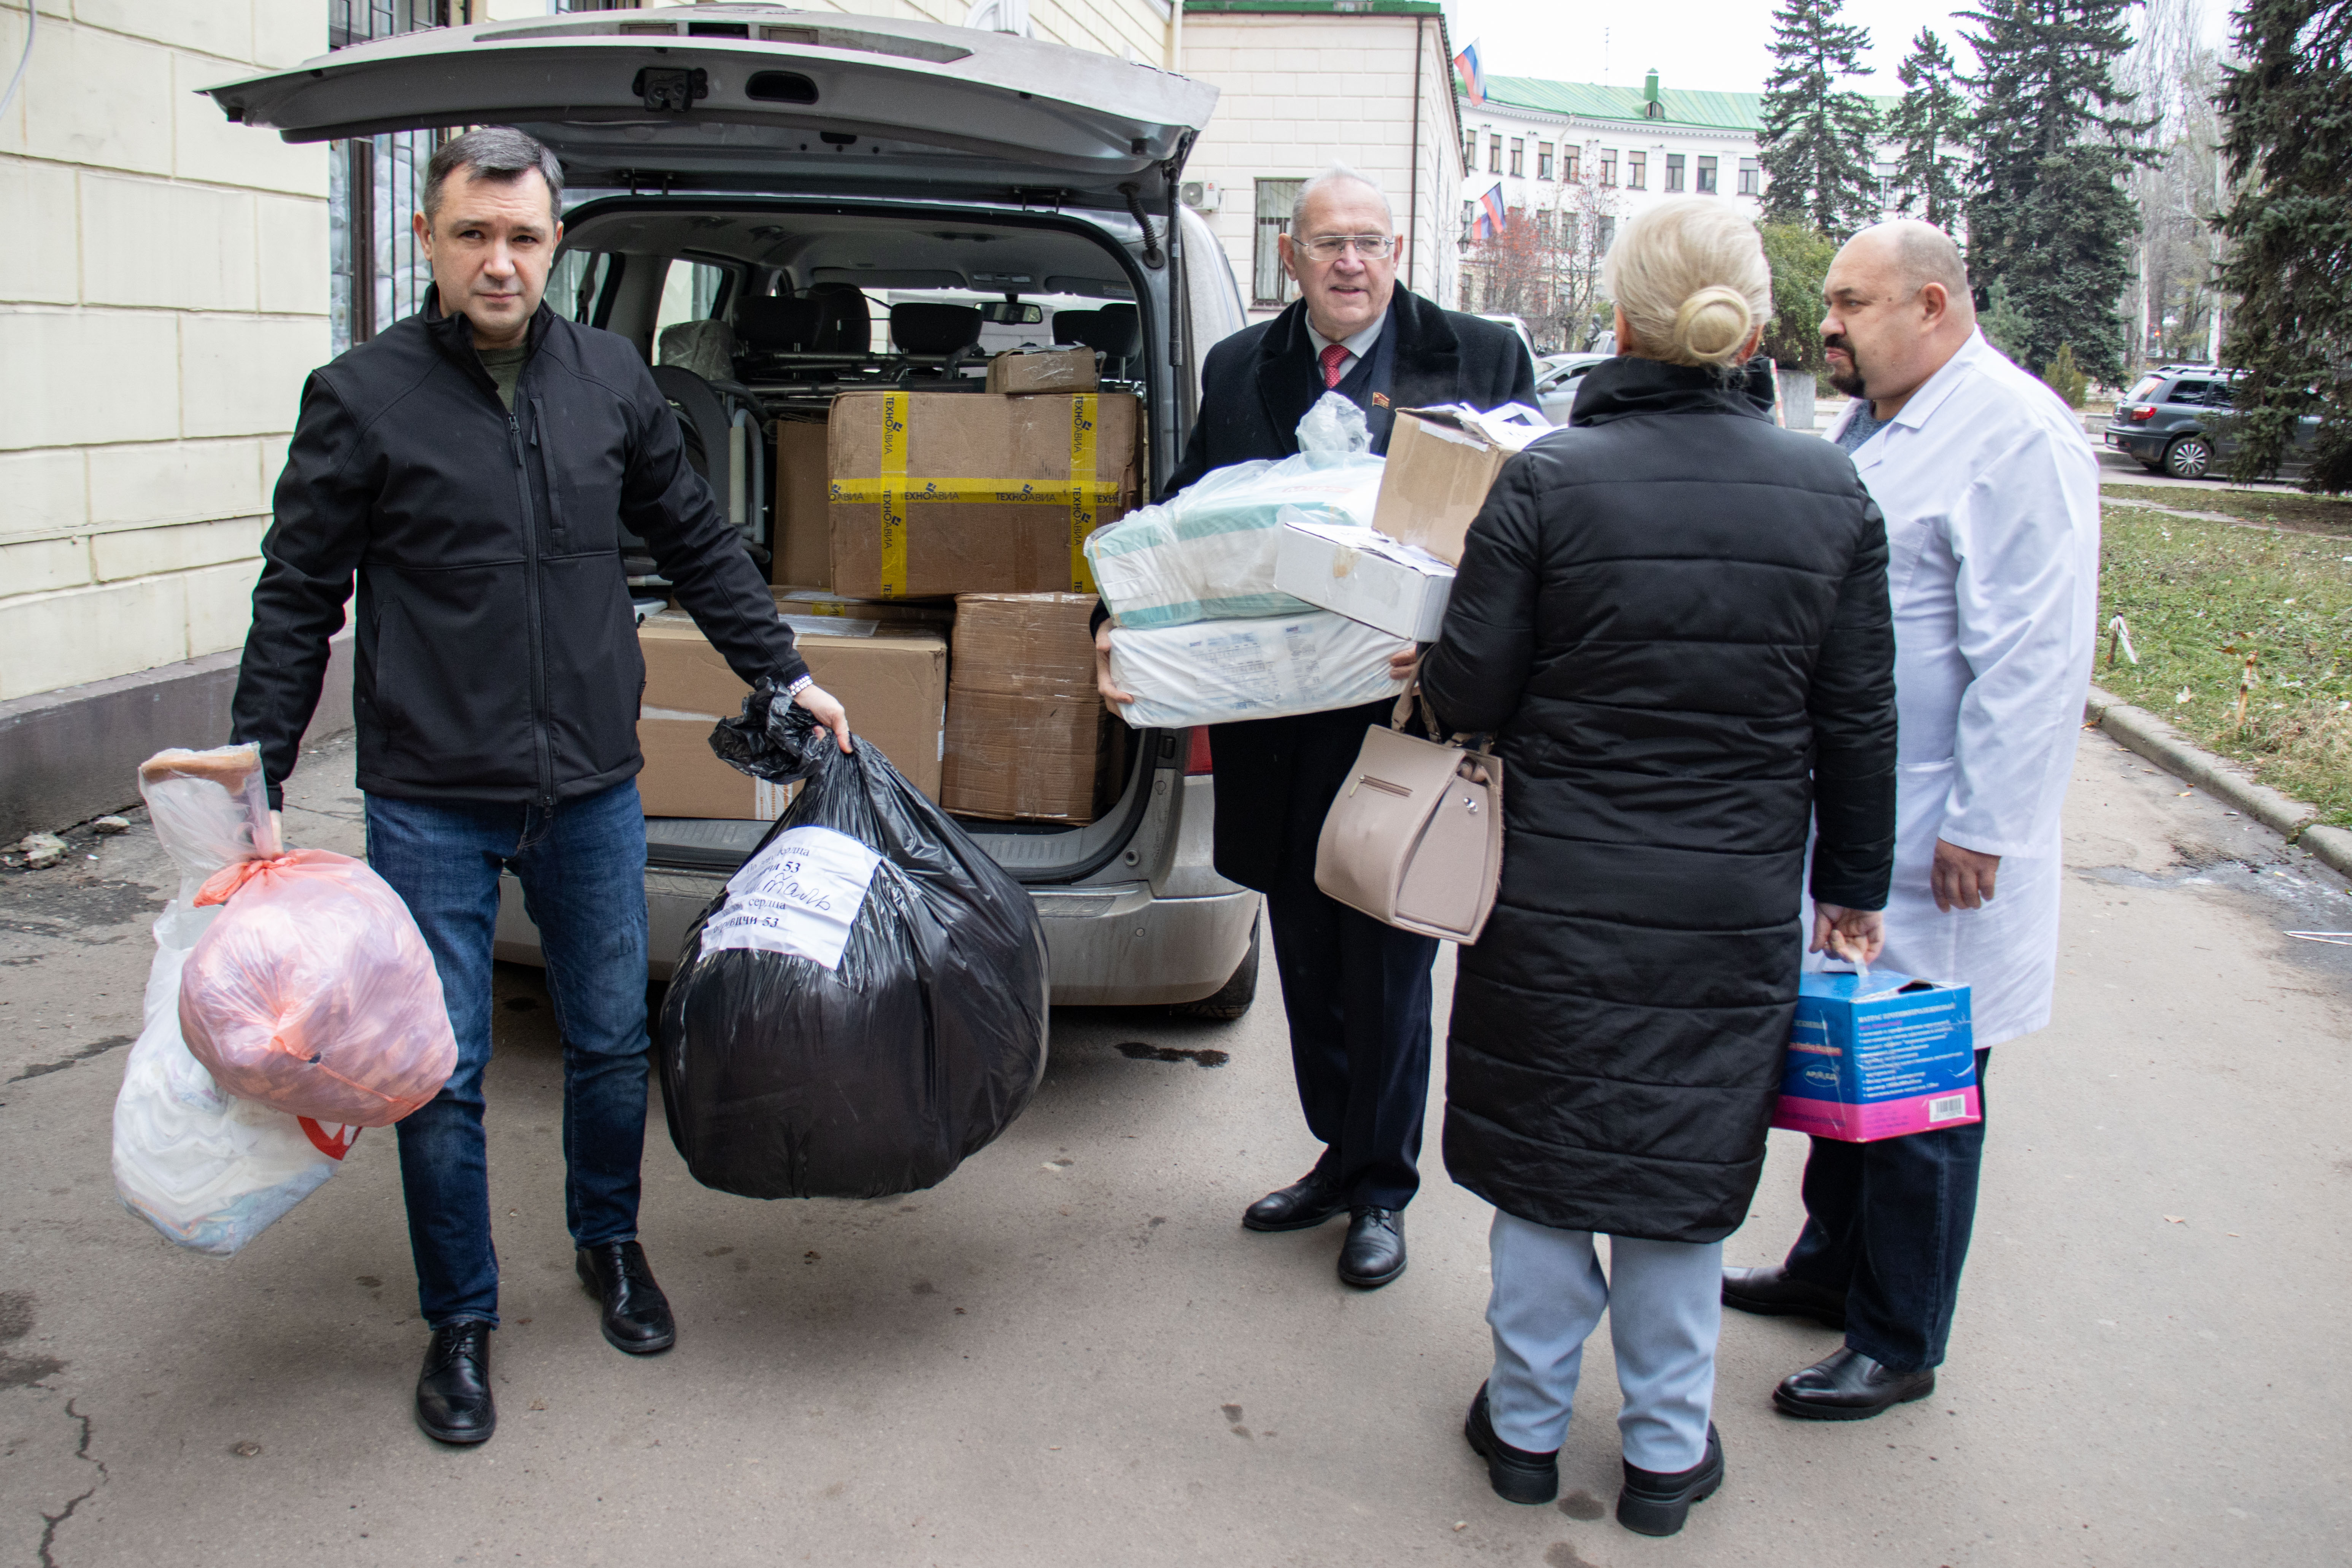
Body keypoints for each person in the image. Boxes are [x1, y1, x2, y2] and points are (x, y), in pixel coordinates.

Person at [228, 127, 851, 1447]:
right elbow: (298, 590)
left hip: (586, 785)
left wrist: (782, 670)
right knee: (434, 1070)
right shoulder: (361, 395)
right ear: (429, 243)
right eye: (471, 236)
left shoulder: (613, 380)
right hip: (429, 793)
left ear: (555, 243)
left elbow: (694, 537)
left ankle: (609, 1243)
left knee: (612, 1038)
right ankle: (460, 1320)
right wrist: (259, 766)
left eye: (520, 237)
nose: (497, 261)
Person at [1416, 197, 1899, 1533]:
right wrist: (1850, 887)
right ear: (1751, 324)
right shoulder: (1831, 491)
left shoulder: (1550, 478)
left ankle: (1521, 1429)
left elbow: (1469, 694)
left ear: (1619, 321)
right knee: (1681, 1182)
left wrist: (1432, 651)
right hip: (1728, 899)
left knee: (1548, 1162)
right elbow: (1857, 716)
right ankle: (1666, 1457)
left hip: (1557, 888)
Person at [1094, 166, 1535, 1290]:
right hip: (1278, 722)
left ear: (1397, 253)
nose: (1351, 263)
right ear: (1289, 257)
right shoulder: (1247, 364)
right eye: (1328, 243)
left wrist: (1464, 651)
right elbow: (1190, 514)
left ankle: (1384, 1186)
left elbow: (1537, 540)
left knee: (1386, 958)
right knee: (1302, 949)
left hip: (1405, 716)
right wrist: (1120, 626)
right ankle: (1339, 1153)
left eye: (1370, 242)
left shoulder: (1478, 357)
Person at [1720, 220, 2099, 1419]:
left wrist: (1982, 824)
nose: (1825, 322)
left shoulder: (2014, 433)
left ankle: (1897, 1335)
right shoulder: (1878, 417)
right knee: (1843, 1050)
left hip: (1944, 832)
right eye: (1828, 300)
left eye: (1852, 301)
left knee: (1922, 1091)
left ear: (1932, 304)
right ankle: (1830, 1265)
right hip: (1865, 827)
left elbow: (2034, 656)